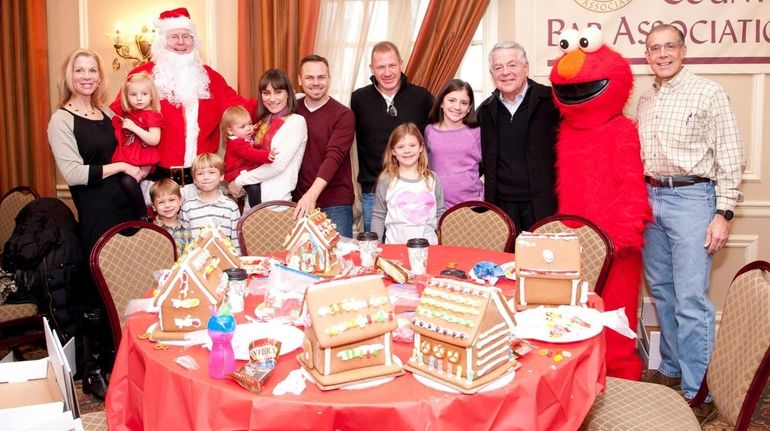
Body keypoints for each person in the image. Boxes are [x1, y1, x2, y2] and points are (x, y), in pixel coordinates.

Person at [637, 24, 745, 406]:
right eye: (654, 48)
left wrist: (723, 212)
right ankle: (671, 368)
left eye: (669, 47)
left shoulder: (709, 93)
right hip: (651, 199)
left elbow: (732, 158)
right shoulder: (646, 99)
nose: (662, 54)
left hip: (693, 199)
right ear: (646, 55)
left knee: (690, 300)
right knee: (663, 293)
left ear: (684, 51)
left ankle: (697, 391)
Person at [48, 49, 142, 400]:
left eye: (92, 70)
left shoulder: (106, 113)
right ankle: (93, 370)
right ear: (69, 76)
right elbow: (72, 173)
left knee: (126, 283)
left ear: (100, 77)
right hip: (95, 209)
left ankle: (123, 361)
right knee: (97, 287)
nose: (86, 76)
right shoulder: (60, 119)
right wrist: (120, 168)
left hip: (124, 205)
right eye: (79, 70)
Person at [110, 7, 256, 198]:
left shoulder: (210, 78)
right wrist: (132, 160)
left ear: (194, 41)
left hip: (202, 186)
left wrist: (280, 102)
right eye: (173, 36)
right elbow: (119, 119)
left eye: (186, 36)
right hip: (158, 187)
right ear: (162, 41)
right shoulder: (142, 76)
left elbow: (241, 110)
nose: (180, 42)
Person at [477, 41, 560, 232]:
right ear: (492, 74)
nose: (505, 72)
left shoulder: (551, 102)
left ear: (526, 67)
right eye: (498, 67)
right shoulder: (485, 111)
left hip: (543, 204)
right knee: (505, 261)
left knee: (541, 260)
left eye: (512, 65)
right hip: (501, 207)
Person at [351, 41, 433, 232]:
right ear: (372, 68)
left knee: (412, 249)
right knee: (375, 250)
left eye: (392, 65)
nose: (387, 73)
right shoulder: (358, 99)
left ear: (401, 64)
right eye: (380, 67)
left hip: (414, 190)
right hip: (373, 190)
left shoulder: (422, 98)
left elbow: (437, 138)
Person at [293, 54, 356, 237]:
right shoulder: (291, 109)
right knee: (301, 260)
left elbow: (334, 157)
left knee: (341, 260)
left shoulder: (343, 115)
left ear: (329, 79)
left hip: (335, 202)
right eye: (309, 77)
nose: (316, 82)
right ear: (300, 80)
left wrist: (311, 196)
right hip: (299, 200)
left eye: (321, 77)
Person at [228, 69, 307, 204]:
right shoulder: (262, 122)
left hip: (276, 203)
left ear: (288, 93)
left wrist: (239, 181)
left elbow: (276, 165)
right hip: (252, 202)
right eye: (266, 93)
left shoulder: (295, 122)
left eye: (278, 92)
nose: (272, 99)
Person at [370, 123, 445, 244]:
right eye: (400, 147)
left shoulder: (433, 179)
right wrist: (374, 244)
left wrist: (445, 242)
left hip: (429, 248)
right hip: (395, 249)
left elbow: (440, 214)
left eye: (412, 145)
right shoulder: (386, 180)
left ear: (421, 147)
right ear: (393, 151)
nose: (407, 150)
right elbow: (379, 215)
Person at [112, 72, 163, 219]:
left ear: (152, 95)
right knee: (118, 187)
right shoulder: (128, 113)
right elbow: (110, 111)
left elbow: (154, 139)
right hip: (126, 158)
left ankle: (142, 216)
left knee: (127, 182)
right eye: (133, 95)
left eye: (144, 94)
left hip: (143, 159)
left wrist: (135, 128)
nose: (139, 98)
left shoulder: (153, 115)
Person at [424, 79, 483, 208]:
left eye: (464, 103)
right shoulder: (429, 131)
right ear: (441, 103)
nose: (457, 107)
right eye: (451, 100)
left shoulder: (476, 132)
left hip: (472, 204)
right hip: (438, 205)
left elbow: (490, 167)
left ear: (469, 108)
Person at [180, 153, 241, 249]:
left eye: (211, 172)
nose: (206, 177)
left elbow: (236, 241)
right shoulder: (187, 207)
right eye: (200, 173)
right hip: (196, 260)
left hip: (225, 260)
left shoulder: (231, 207)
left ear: (221, 176)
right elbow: (184, 241)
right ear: (194, 179)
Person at [221, 105, 275, 208]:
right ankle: (256, 211)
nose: (248, 128)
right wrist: (267, 155)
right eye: (242, 127)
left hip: (242, 169)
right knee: (254, 188)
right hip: (236, 172)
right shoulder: (236, 143)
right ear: (230, 131)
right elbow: (250, 153)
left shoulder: (242, 138)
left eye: (250, 124)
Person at [150, 178, 193, 257]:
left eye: (172, 200)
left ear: (180, 201)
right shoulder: (151, 231)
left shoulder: (187, 228)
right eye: (161, 202)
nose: (167, 205)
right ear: (154, 207)